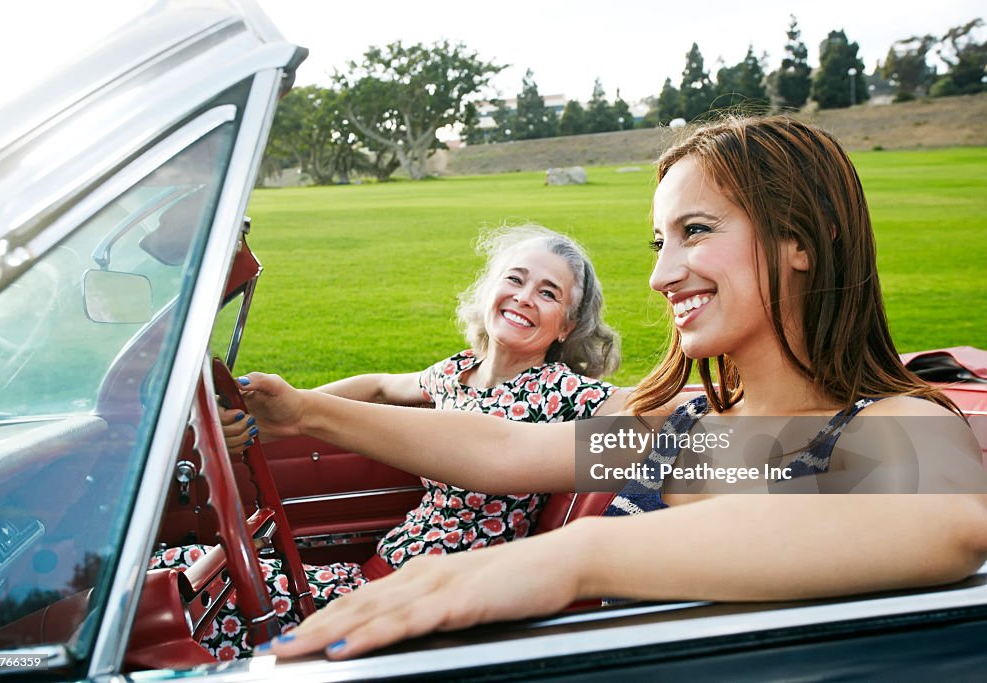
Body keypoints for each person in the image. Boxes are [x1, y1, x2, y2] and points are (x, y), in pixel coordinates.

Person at [229, 116, 987, 660]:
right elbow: (499, 448)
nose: (661, 276)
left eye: (696, 231)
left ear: (800, 241)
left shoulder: (884, 421)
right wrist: (303, 411)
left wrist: (574, 556)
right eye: (661, 242)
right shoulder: (691, 429)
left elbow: (945, 516)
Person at [156, 224, 629, 660]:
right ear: (491, 291)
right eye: (515, 279)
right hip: (382, 572)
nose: (525, 297)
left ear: (566, 327)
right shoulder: (454, 372)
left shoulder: (563, 389)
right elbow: (380, 386)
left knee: (186, 608)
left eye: (548, 294)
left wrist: (302, 414)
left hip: (436, 607)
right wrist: (280, 417)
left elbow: (648, 411)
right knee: (174, 572)